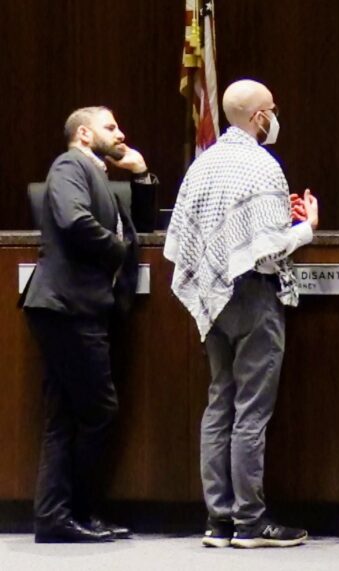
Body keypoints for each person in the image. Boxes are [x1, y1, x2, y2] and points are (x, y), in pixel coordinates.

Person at [164, 79, 317, 549]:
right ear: (257, 118)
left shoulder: (202, 163)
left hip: (213, 297)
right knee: (251, 409)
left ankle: (218, 520)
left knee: (219, 404)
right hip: (253, 296)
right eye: (272, 108)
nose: (275, 115)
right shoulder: (263, 165)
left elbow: (184, 238)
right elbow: (269, 252)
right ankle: (250, 522)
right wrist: (305, 228)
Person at [21, 106, 154, 543]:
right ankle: (76, 512)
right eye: (110, 127)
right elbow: (74, 221)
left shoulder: (95, 173)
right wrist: (117, 250)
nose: (120, 133)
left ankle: (57, 517)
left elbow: (144, 227)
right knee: (99, 411)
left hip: (75, 307)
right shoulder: (70, 164)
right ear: (83, 133)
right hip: (69, 308)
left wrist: (140, 173)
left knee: (64, 416)